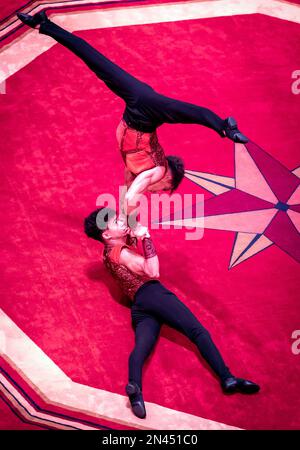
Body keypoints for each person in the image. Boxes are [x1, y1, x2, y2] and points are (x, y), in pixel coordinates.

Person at [17, 11, 249, 216]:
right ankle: (224, 127)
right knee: (186, 112)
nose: (154, 193)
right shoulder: (157, 172)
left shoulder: (138, 170)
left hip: (135, 108)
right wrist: (134, 227)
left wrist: (126, 222)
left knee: (95, 61)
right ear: (168, 182)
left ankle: (44, 25)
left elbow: (128, 190)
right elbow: (131, 198)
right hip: (147, 111)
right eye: (161, 193)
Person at [84, 208, 260, 419]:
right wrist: (147, 238)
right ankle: (227, 378)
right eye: (114, 222)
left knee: (141, 348)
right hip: (153, 294)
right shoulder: (123, 253)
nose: (121, 221)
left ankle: (135, 389)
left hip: (139, 306)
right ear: (106, 234)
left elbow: (130, 216)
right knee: (198, 332)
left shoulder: (108, 252)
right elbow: (152, 271)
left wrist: (131, 217)